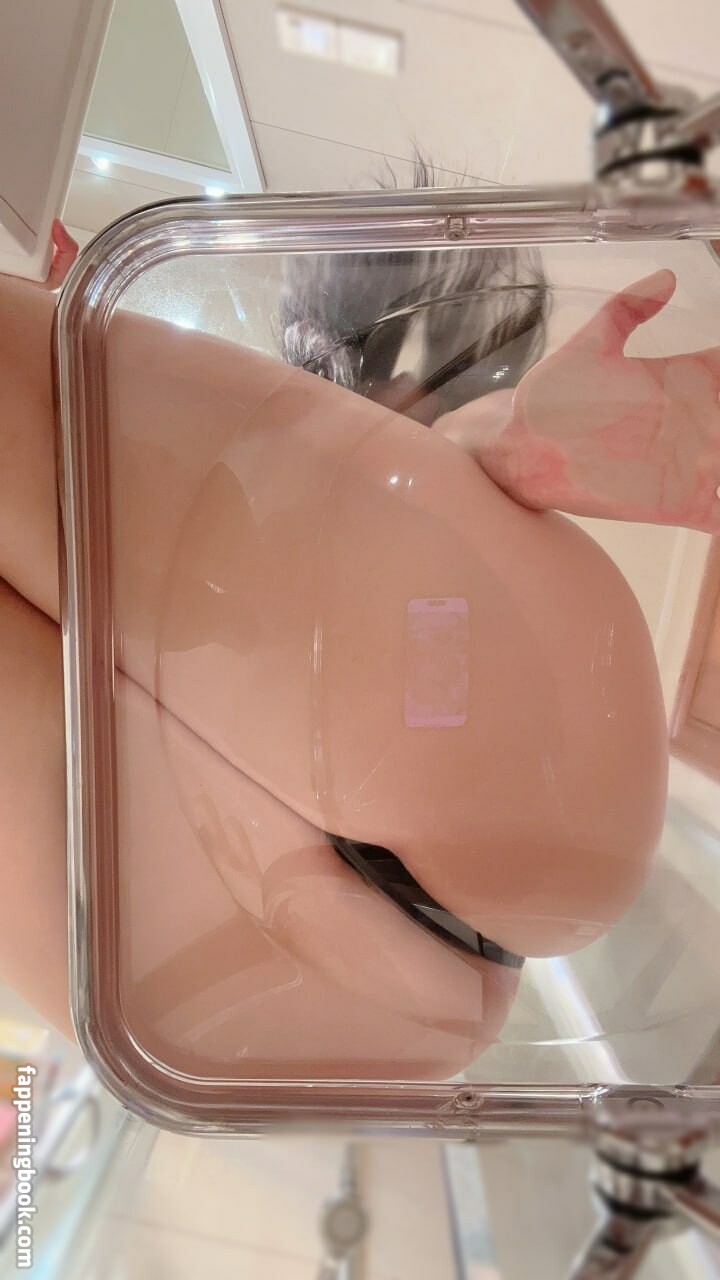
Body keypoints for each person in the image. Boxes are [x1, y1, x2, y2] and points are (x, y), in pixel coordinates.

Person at [0, 201, 715, 1084]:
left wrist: (476, 444)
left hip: (385, 1014)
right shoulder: (381, 505)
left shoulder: (339, 495)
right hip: (482, 917)